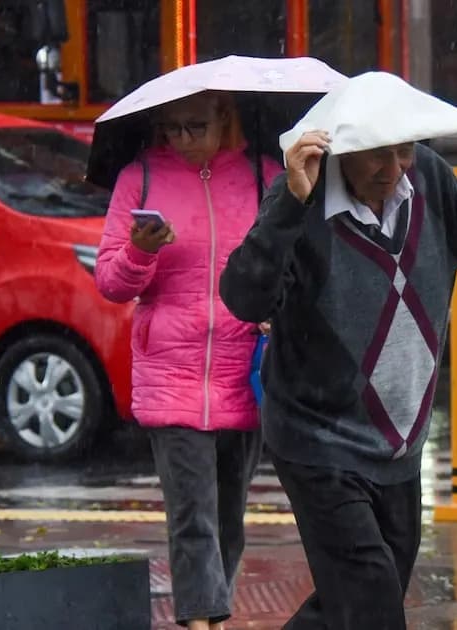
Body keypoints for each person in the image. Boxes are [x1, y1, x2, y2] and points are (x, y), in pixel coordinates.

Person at [218, 77, 457, 629]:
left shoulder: (430, 179)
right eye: (377, 154)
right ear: (343, 148)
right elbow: (246, 297)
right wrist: (289, 204)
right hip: (317, 439)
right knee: (370, 600)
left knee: (355, 600)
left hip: (398, 442)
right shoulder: (303, 195)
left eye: (404, 149)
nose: (393, 168)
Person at [94, 90, 280, 630]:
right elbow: (109, 280)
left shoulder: (265, 177)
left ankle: (214, 616)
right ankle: (201, 622)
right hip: (170, 373)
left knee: (229, 519)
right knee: (192, 515)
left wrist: (276, 309)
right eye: (171, 128)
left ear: (226, 117)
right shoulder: (141, 179)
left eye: (195, 126)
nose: (182, 139)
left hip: (244, 368)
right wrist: (140, 250)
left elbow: (290, 263)